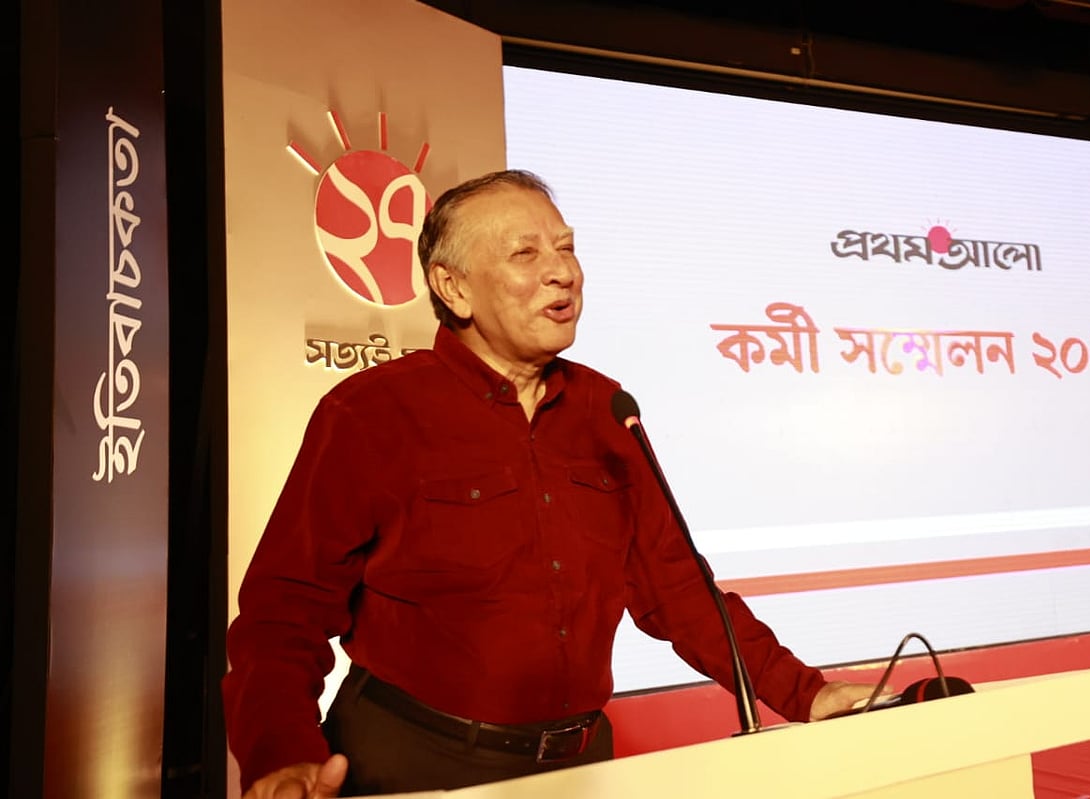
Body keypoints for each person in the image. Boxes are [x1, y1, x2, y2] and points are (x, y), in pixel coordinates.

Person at [223, 169, 880, 798]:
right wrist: (282, 754)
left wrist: (807, 692)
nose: (562, 271)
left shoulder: (607, 411)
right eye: (526, 253)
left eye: (566, 248)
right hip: (414, 761)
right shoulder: (370, 413)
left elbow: (677, 590)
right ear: (453, 287)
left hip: (581, 765)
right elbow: (284, 614)